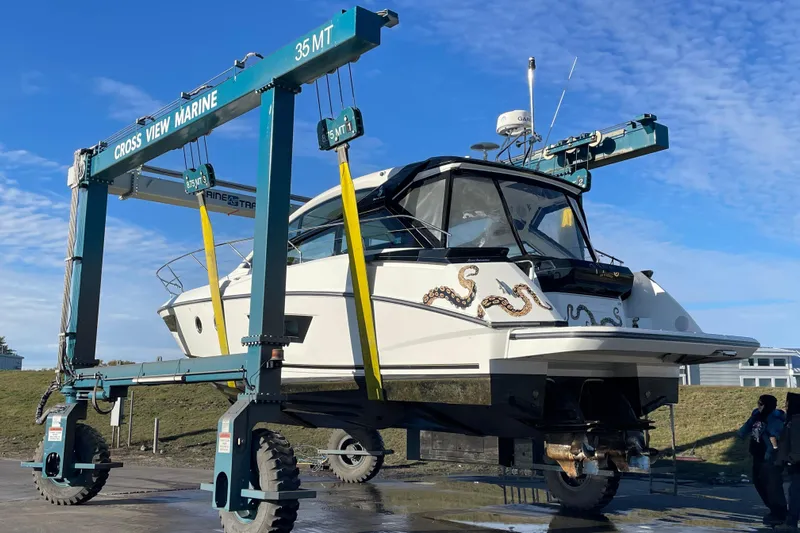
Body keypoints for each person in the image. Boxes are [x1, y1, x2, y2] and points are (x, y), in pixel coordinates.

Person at [738, 394, 787, 526]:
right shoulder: (756, 415)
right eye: (758, 403)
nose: (758, 406)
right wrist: (747, 426)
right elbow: (745, 429)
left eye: (761, 404)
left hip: (769, 458)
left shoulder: (775, 419)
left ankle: (780, 512)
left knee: (772, 486)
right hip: (757, 455)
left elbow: (775, 437)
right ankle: (773, 509)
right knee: (759, 483)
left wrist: (772, 453)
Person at [775, 392, 800, 532]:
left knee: (795, 493)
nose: (785, 406)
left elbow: (793, 444)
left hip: (797, 463)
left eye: (788, 403)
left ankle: (791, 523)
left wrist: (787, 460)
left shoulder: (795, 421)